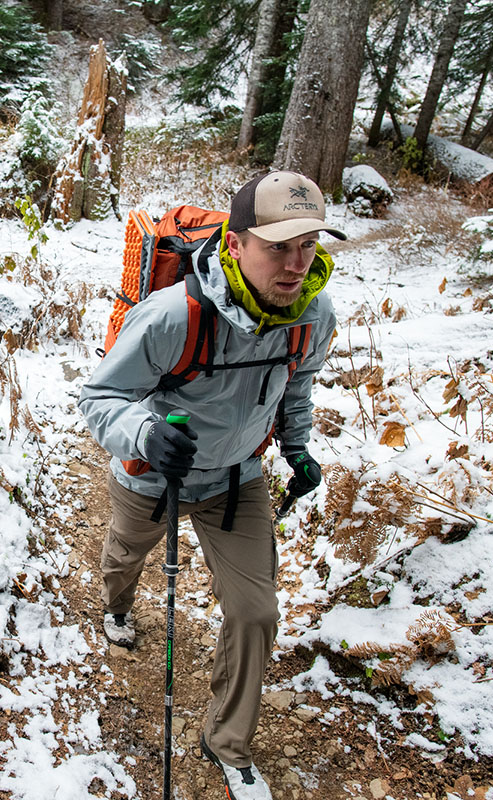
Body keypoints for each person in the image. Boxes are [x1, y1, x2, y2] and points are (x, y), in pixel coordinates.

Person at [78, 171, 343, 800]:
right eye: (277, 247)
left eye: (307, 245)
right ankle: (117, 605)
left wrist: (298, 448)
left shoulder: (313, 314)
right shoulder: (174, 315)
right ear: (236, 243)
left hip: (236, 478)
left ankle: (228, 744)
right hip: (156, 474)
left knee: (256, 612)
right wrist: (145, 435)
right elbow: (99, 398)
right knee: (125, 555)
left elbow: (295, 385)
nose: (296, 265)